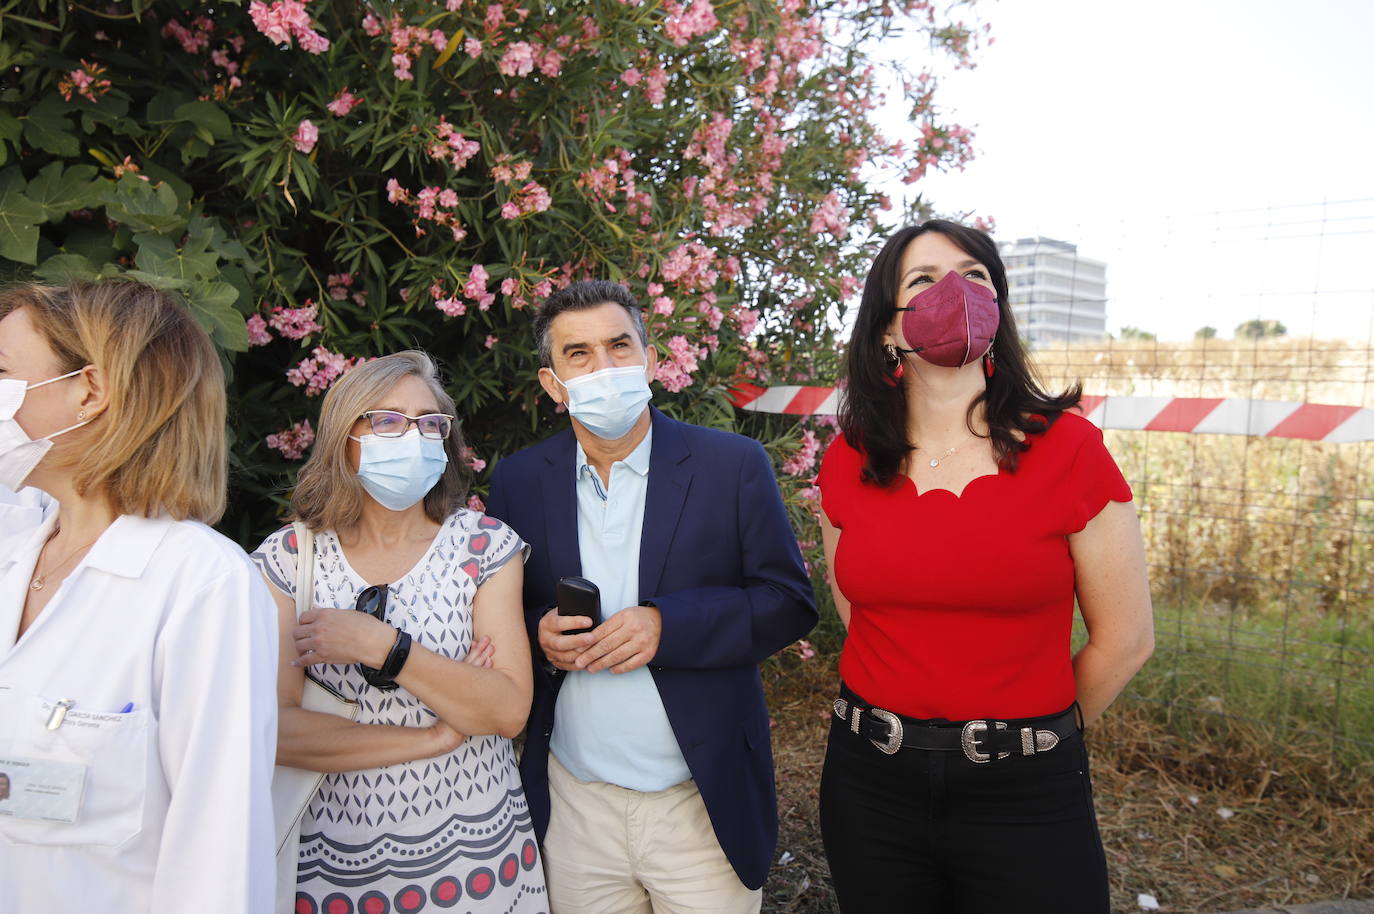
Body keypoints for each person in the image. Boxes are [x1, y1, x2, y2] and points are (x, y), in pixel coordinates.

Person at [815, 221, 1155, 913]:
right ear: (887, 329)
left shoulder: (1068, 450)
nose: (955, 292)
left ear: (997, 309)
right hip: (868, 784)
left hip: (1027, 795)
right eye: (923, 280)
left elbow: (1126, 639)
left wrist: (1026, 739)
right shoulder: (848, 459)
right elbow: (857, 607)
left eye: (975, 276)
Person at [485, 279, 817, 913]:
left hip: (698, 801)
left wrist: (670, 626)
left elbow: (787, 601)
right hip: (575, 802)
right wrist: (537, 632)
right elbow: (506, 611)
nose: (603, 367)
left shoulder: (733, 465)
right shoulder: (521, 480)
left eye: (618, 345)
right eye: (578, 354)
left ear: (650, 359)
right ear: (553, 384)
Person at [0, 281, 279, 913]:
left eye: (2, 371)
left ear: (90, 392)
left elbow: (220, 857)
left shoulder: (201, 584)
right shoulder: (17, 547)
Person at [251, 350, 548, 912]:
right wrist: (433, 734)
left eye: (429, 423)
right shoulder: (290, 558)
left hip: (477, 857)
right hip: (331, 861)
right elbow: (275, 734)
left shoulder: (483, 545)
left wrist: (382, 646)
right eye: (387, 420)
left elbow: (507, 710)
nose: (413, 436)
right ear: (345, 434)